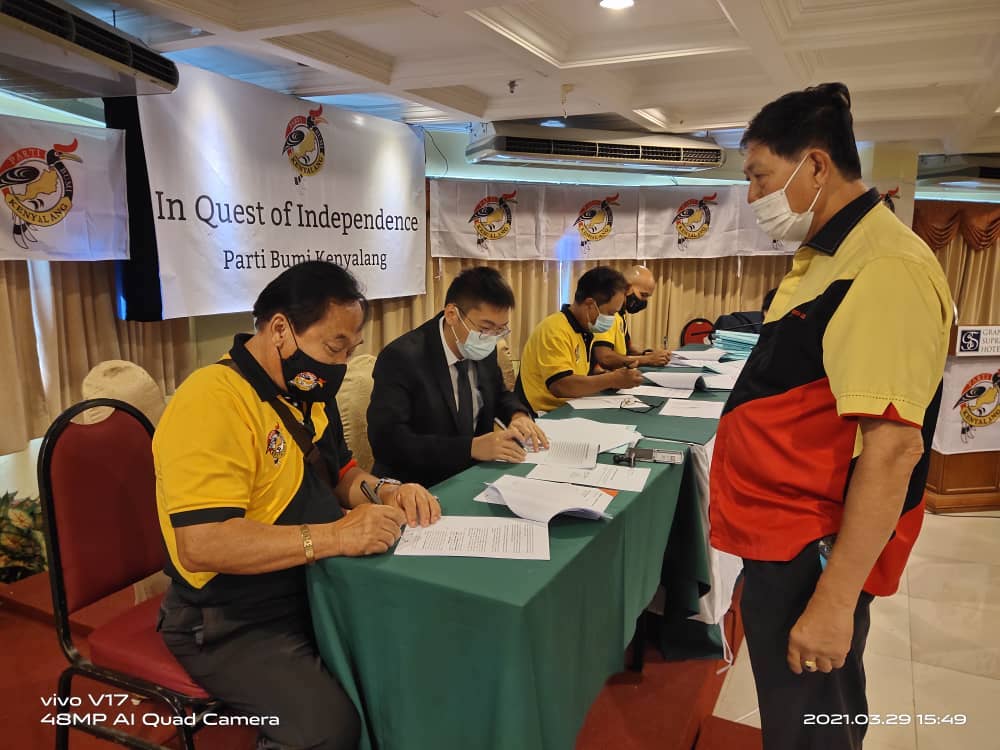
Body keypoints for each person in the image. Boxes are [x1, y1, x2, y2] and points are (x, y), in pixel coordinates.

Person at [709, 83, 952, 750]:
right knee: (799, 721)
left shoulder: (885, 268)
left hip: (813, 549)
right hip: (784, 538)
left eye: (760, 176)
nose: (752, 195)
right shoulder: (832, 254)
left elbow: (893, 450)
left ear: (815, 165)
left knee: (814, 728)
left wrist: (835, 601)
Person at [154, 261, 441, 750]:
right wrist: (337, 536)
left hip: (310, 585)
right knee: (327, 730)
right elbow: (202, 544)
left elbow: (342, 476)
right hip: (229, 617)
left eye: (351, 350)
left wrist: (388, 491)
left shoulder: (308, 392)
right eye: (334, 347)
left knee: (407, 662)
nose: (341, 364)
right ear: (281, 330)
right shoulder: (212, 400)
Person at [368, 266, 548, 488]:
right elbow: (388, 442)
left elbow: (500, 394)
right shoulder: (402, 358)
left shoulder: (484, 348)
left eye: (500, 329)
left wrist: (518, 415)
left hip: (474, 476)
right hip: (417, 484)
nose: (491, 337)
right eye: (485, 327)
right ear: (452, 315)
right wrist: (470, 448)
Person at [516, 266, 644, 414]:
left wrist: (609, 377)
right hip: (541, 414)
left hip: (571, 407)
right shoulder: (554, 330)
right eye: (610, 313)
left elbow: (583, 373)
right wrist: (612, 379)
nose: (612, 319)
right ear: (590, 304)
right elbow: (561, 386)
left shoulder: (585, 330)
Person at [590, 265, 672, 370]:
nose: (644, 301)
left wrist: (647, 354)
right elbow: (605, 357)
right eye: (643, 295)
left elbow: (627, 350)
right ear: (627, 288)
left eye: (647, 297)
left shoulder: (621, 314)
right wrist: (647, 360)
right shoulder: (608, 314)